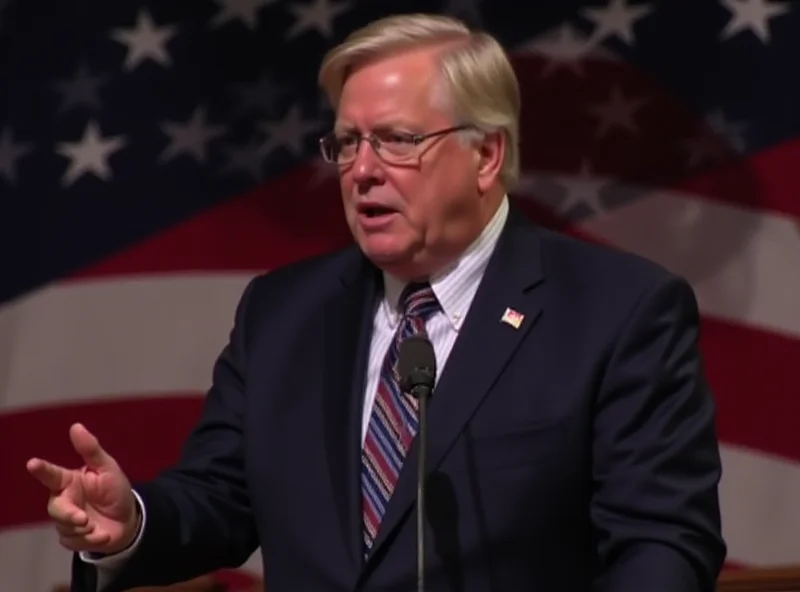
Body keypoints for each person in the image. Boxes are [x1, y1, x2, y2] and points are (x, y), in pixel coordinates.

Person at [26, 12, 726, 592]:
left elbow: (663, 546)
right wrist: (134, 522)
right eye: (348, 143)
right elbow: (220, 498)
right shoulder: (283, 313)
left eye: (396, 141)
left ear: (485, 155)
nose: (361, 171)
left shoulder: (617, 311)